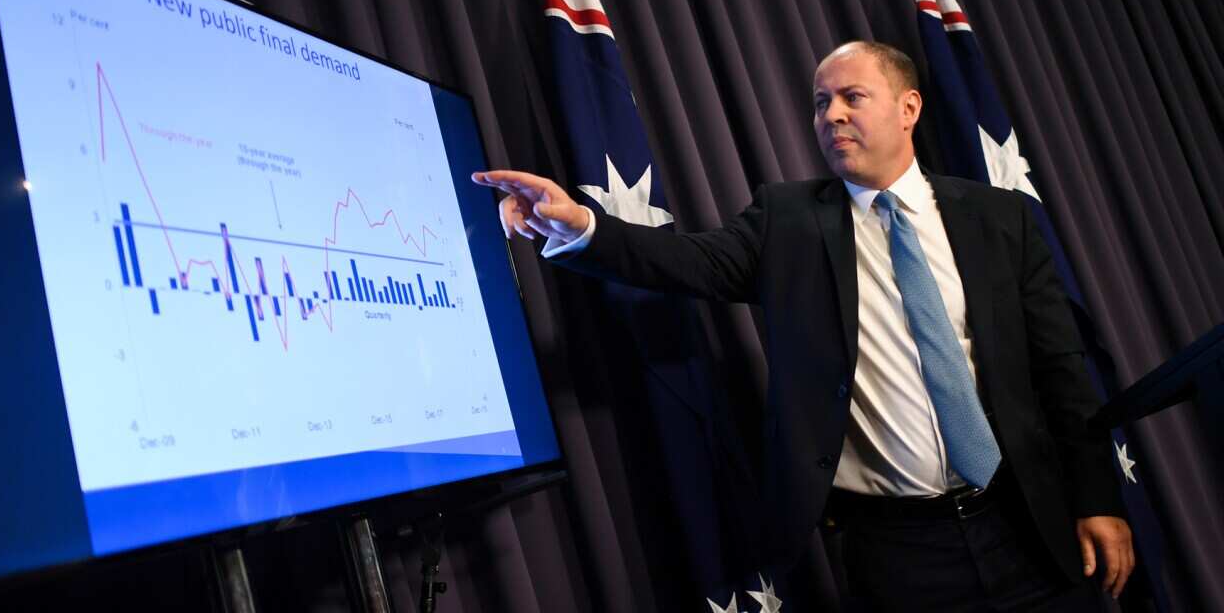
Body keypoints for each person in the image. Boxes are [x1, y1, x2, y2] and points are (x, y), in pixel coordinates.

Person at [473, 41, 1133, 611]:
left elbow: (1060, 369)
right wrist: (582, 226)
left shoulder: (999, 218)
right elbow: (688, 261)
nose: (833, 115)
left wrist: (1097, 497)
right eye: (821, 103)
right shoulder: (788, 220)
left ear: (908, 109)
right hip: (896, 553)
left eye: (851, 97)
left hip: (1027, 521)